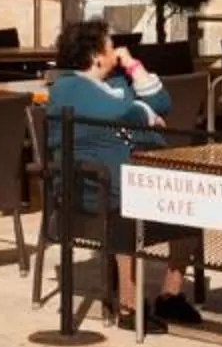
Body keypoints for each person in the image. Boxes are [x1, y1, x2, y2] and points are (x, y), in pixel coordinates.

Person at [45, 18, 200, 331]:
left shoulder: (116, 83)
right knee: (125, 204)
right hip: (89, 185)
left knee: (192, 201)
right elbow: (121, 114)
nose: (116, 50)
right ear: (95, 55)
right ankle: (129, 305)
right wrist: (145, 113)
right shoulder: (69, 86)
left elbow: (162, 102)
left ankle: (170, 295)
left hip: (126, 176)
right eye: (110, 45)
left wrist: (132, 65)